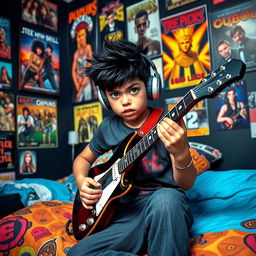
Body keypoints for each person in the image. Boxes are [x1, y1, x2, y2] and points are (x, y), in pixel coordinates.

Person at [68, 39, 196, 256]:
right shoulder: (108, 127)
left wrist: (181, 153)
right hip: (126, 211)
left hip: (166, 204)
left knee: (166, 199)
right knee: (77, 253)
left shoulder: (169, 122)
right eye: (115, 94)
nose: (125, 101)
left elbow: (187, 183)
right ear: (105, 99)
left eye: (133, 90)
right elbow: (83, 159)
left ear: (149, 87)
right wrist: (82, 181)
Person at [72, 24, 95, 102]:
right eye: (79, 36)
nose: (81, 38)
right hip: (78, 84)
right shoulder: (76, 53)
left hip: (86, 82)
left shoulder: (88, 47)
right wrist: (77, 85)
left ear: (85, 36)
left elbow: (90, 66)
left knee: (88, 103)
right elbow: (73, 71)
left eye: (82, 35)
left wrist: (81, 88)